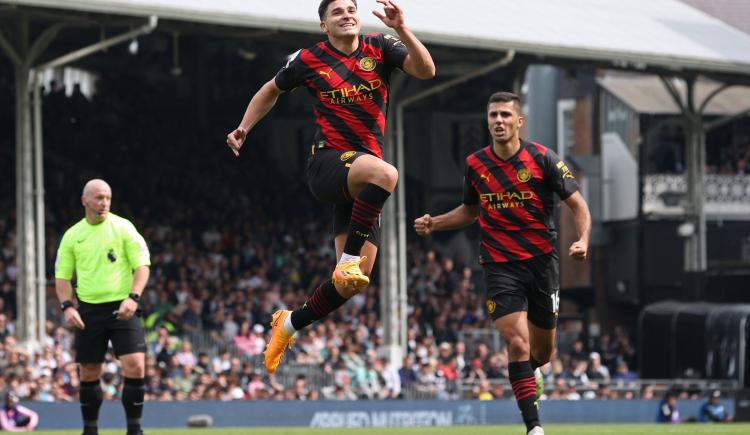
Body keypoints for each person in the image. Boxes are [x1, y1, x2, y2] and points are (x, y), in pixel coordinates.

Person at [226, 0, 435, 374]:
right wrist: (244, 127)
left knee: (353, 284)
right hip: (327, 165)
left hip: (361, 179)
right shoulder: (309, 59)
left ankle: (287, 324)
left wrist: (402, 28)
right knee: (386, 176)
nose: (347, 14)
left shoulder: (381, 48)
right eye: (337, 11)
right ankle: (347, 260)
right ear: (324, 25)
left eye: (351, 8)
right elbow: (269, 90)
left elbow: (426, 70)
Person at [414, 91, 592, 435]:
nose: (498, 121)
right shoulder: (476, 165)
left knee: (542, 351)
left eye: (505, 116)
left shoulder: (543, 159)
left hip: (542, 262)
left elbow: (578, 204)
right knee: (517, 343)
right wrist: (435, 222)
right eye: (493, 115)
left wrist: (583, 239)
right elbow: (470, 210)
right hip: (499, 264)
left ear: (518, 121)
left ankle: (532, 371)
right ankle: (534, 427)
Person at [55, 179, 151, 435]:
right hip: (88, 310)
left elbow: (142, 265)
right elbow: (62, 277)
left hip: (123, 306)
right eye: (98, 197)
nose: (104, 203)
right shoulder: (73, 236)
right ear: (84, 200)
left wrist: (133, 297)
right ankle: (90, 429)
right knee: (88, 371)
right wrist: (67, 306)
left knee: (136, 365)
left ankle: (134, 429)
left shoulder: (123, 227)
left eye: (107, 197)